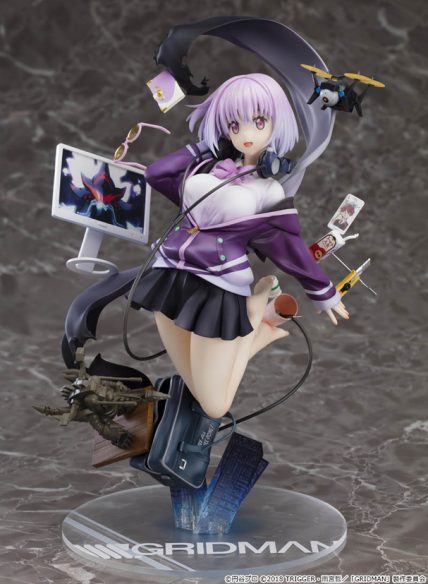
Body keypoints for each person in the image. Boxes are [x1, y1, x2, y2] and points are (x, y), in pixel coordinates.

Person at [127, 73, 349, 420]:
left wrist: (322, 290)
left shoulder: (269, 190)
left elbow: (287, 244)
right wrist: (205, 146)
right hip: (169, 276)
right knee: (194, 384)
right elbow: (156, 174)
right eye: (234, 124)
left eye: (258, 121)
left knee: (215, 405)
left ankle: (255, 308)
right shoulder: (207, 166)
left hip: (218, 288)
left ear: (276, 123)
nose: (246, 133)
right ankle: (261, 331)